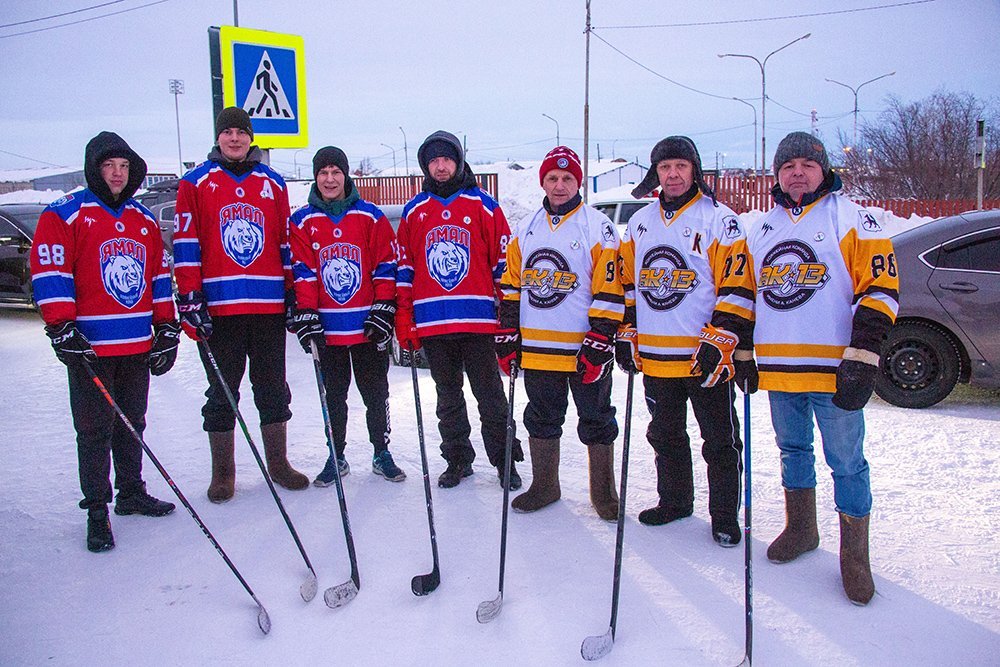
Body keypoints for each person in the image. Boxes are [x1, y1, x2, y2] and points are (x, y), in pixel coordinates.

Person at [745, 131, 898, 604]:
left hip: (835, 372)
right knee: (793, 451)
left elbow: (880, 290)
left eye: (806, 164)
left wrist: (863, 356)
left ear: (824, 168)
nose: (796, 172)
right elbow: (745, 295)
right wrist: (744, 354)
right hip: (779, 372)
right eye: (787, 165)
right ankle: (802, 528)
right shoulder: (761, 227)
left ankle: (854, 557)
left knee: (847, 464)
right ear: (776, 174)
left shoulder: (853, 219)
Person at [31, 131, 179, 553]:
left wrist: (166, 327)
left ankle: (131, 492)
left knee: (133, 420)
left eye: (124, 167)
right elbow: (51, 273)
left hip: (135, 342)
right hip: (91, 346)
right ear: (95, 168)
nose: (117, 174)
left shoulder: (143, 219)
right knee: (94, 429)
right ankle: (98, 508)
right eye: (109, 166)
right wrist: (61, 327)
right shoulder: (65, 214)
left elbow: (156, 277)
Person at [617, 136, 752, 546]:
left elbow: (737, 285)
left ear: (694, 169)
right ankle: (675, 501)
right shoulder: (640, 222)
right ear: (654, 173)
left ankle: (725, 515)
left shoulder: (720, 219)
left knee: (720, 440)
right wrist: (626, 332)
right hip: (657, 358)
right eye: (664, 167)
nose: (672, 174)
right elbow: (627, 284)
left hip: (705, 357)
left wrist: (720, 339)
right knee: (664, 434)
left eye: (680, 166)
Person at [173, 107, 308, 502]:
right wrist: (190, 295)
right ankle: (223, 473)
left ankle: (278, 463)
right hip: (220, 311)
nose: (234, 138)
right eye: (227, 132)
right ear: (218, 137)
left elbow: (286, 243)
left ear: (251, 138)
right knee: (221, 391)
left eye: (241, 132)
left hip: (266, 309)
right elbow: (186, 245)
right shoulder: (195, 183)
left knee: (272, 388)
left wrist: (290, 291)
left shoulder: (272, 183)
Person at [496, 146, 623, 520]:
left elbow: (610, 290)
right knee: (540, 416)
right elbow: (510, 287)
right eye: (553, 178)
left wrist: (600, 341)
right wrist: (507, 335)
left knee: (597, 419)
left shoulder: (597, 227)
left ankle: (604, 493)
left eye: (567, 178)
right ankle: (546, 485)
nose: (560, 185)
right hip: (537, 351)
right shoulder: (526, 228)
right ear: (543, 182)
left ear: (578, 182)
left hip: (584, 351)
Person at [394, 130, 524, 489]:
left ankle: (504, 461)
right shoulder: (414, 211)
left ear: (458, 161)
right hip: (434, 323)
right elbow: (406, 270)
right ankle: (457, 459)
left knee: (491, 397)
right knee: (447, 396)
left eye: (446, 159)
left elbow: (503, 264)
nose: (440, 166)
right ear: (426, 166)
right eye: (433, 160)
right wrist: (405, 318)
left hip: (479, 321)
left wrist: (510, 317)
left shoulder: (484, 206)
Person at [287, 146, 406, 484]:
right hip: (328, 330)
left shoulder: (370, 217)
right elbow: (304, 272)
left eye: (335, 172)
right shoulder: (301, 221)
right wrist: (306, 314)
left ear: (346, 175)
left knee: (376, 393)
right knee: (333, 396)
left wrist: (383, 307)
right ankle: (336, 455)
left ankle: (381, 452)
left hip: (367, 327)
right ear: (316, 177)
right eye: (323, 173)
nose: (329, 179)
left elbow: (385, 265)